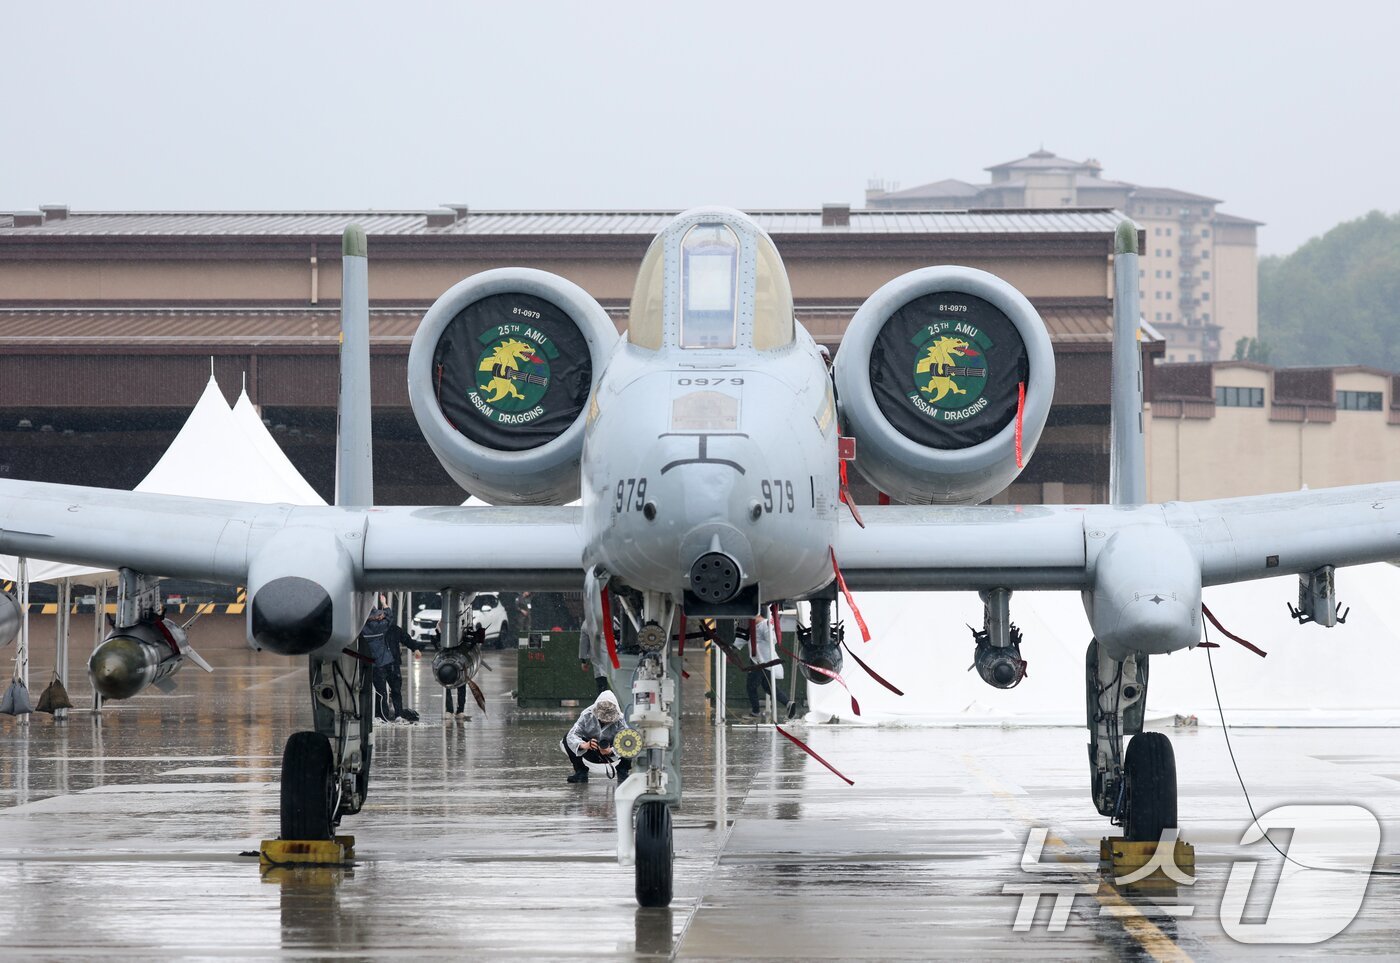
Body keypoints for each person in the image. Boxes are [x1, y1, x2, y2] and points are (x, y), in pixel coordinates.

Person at [561, 690, 631, 784]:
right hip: (590, 751)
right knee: (566, 738)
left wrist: (612, 750)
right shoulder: (587, 715)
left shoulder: (620, 720)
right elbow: (572, 735)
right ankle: (581, 771)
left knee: (632, 739)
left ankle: (623, 770)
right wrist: (583, 745)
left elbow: (627, 741)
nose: (605, 721)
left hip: (612, 754)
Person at [748, 616, 790, 720]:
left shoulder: (765, 624)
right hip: (760, 661)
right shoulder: (754, 625)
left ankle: (755, 711)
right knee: (770, 688)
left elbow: (772, 639)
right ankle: (788, 703)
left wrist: (769, 627)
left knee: (751, 687)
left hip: (761, 662)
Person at [362, 607, 397, 723]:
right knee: (381, 692)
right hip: (381, 663)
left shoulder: (360, 628)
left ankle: (367, 713)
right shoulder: (380, 626)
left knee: (364, 690)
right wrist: (386, 606)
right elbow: (390, 618)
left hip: (365, 662)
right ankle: (382, 715)